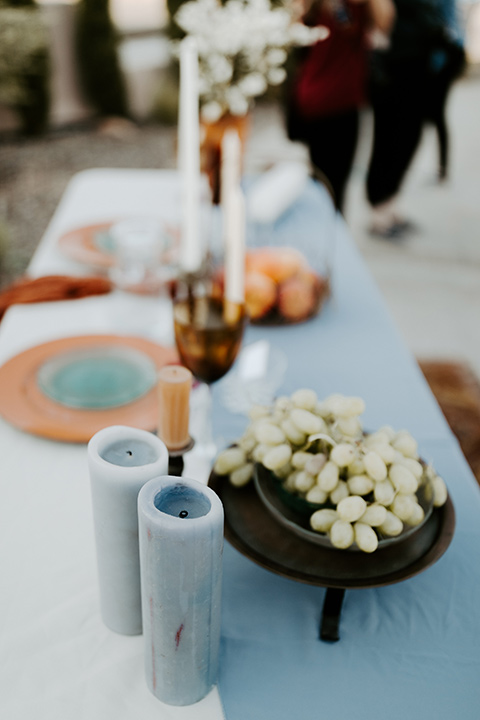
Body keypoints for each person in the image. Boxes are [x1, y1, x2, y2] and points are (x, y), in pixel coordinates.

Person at [366, 0, 466, 238]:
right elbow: (381, 21)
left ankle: (390, 205)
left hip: (416, 73)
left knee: (408, 139)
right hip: (394, 74)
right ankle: (379, 209)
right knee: (389, 142)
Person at [285, 0, 396, 214]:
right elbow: (385, 22)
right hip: (336, 101)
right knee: (331, 188)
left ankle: (326, 233)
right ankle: (331, 237)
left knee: (323, 184)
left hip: (314, 97)